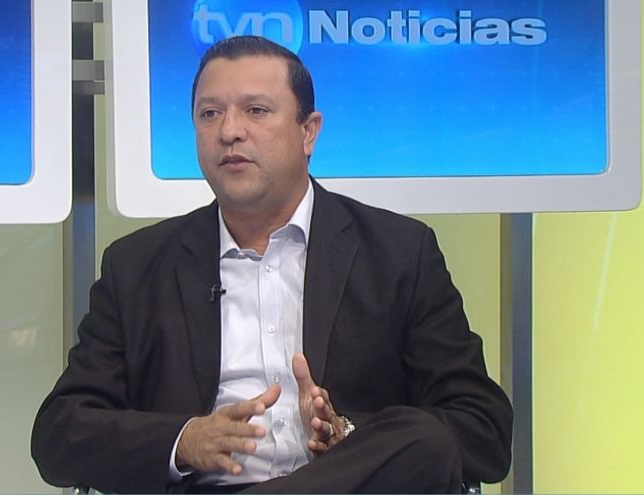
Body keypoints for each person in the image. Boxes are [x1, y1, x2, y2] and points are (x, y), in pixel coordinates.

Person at [31, 35, 512, 494]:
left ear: (308, 132)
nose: (229, 131)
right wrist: (185, 440)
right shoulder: (137, 268)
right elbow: (60, 433)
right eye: (210, 113)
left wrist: (350, 435)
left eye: (256, 111)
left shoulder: (398, 252)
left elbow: (483, 428)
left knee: (421, 439)